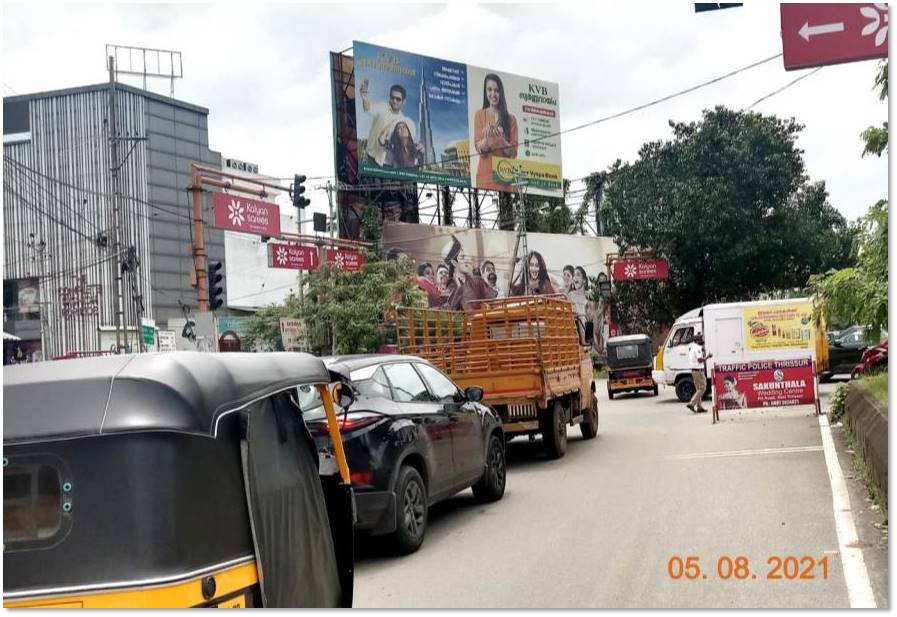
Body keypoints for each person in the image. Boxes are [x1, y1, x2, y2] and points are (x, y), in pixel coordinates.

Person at [359, 80, 422, 167]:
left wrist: (417, 147)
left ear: (404, 102)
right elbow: (368, 109)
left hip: (388, 162)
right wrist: (364, 97)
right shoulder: (382, 107)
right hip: (372, 155)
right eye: (392, 97)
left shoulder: (402, 120)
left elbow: (404, 140)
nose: (394, 101)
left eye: (398, 99)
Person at [473, 73, 518, 191]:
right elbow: (479, 148)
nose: (493, 94)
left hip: (505, 175)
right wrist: (487, 140)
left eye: (496, 90)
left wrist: (502, 140)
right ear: (485, 91)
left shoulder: (511, 119)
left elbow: (513, 152)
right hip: (485, 177)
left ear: (501, 93)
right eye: (489, 90)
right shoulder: (479, 115)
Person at [443, 236, 497, 310]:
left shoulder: (477, 281)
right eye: (462, 257)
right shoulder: (450, 288)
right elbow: (450, 312)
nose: (467, 260)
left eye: (466, 256)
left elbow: (493, 300)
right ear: (454, 263)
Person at [687, 334, 713, 413]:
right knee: (703, 388)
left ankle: (699, 407)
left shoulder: (693, 347)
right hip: (698, 371)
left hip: (694, 371)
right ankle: (692, 403)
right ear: (697, 340)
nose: (703, 340)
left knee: (698, 389)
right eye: (701, 339)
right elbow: (700, 360)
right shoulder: (697, 348)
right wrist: (708, 356)